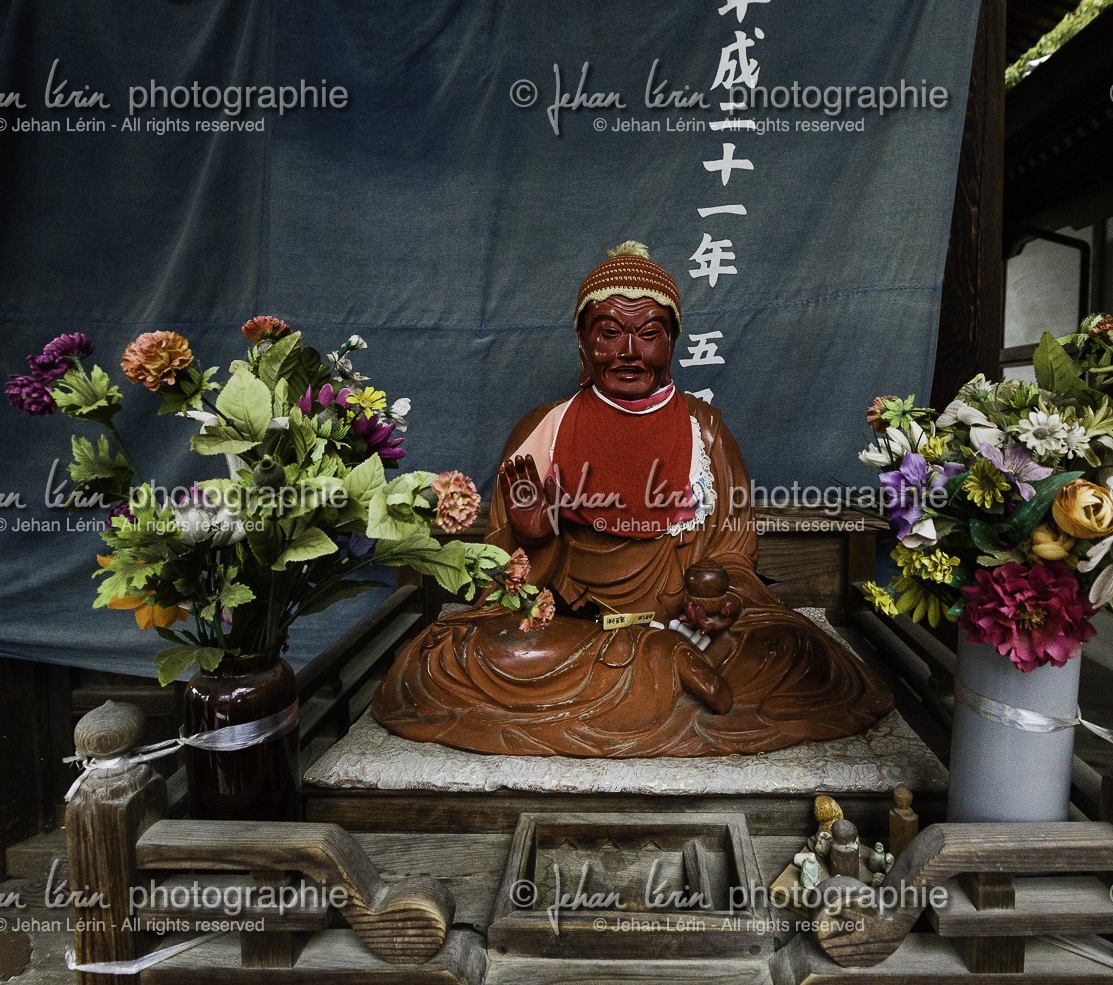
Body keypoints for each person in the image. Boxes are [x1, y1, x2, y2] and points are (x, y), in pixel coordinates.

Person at [370, 242, 892, 756]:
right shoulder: (542, 432)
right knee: (454, 655)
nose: (627, 352)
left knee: (796, 655)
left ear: (672, 344)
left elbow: (732, 554)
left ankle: (662, 660)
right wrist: (533, 539)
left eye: (649, 335)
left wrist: (723, 598)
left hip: (687, 625)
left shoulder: (704, 432)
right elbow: (502, 585)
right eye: (608, 334)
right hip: (576, 631)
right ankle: (660, 662)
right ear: (581, 344)